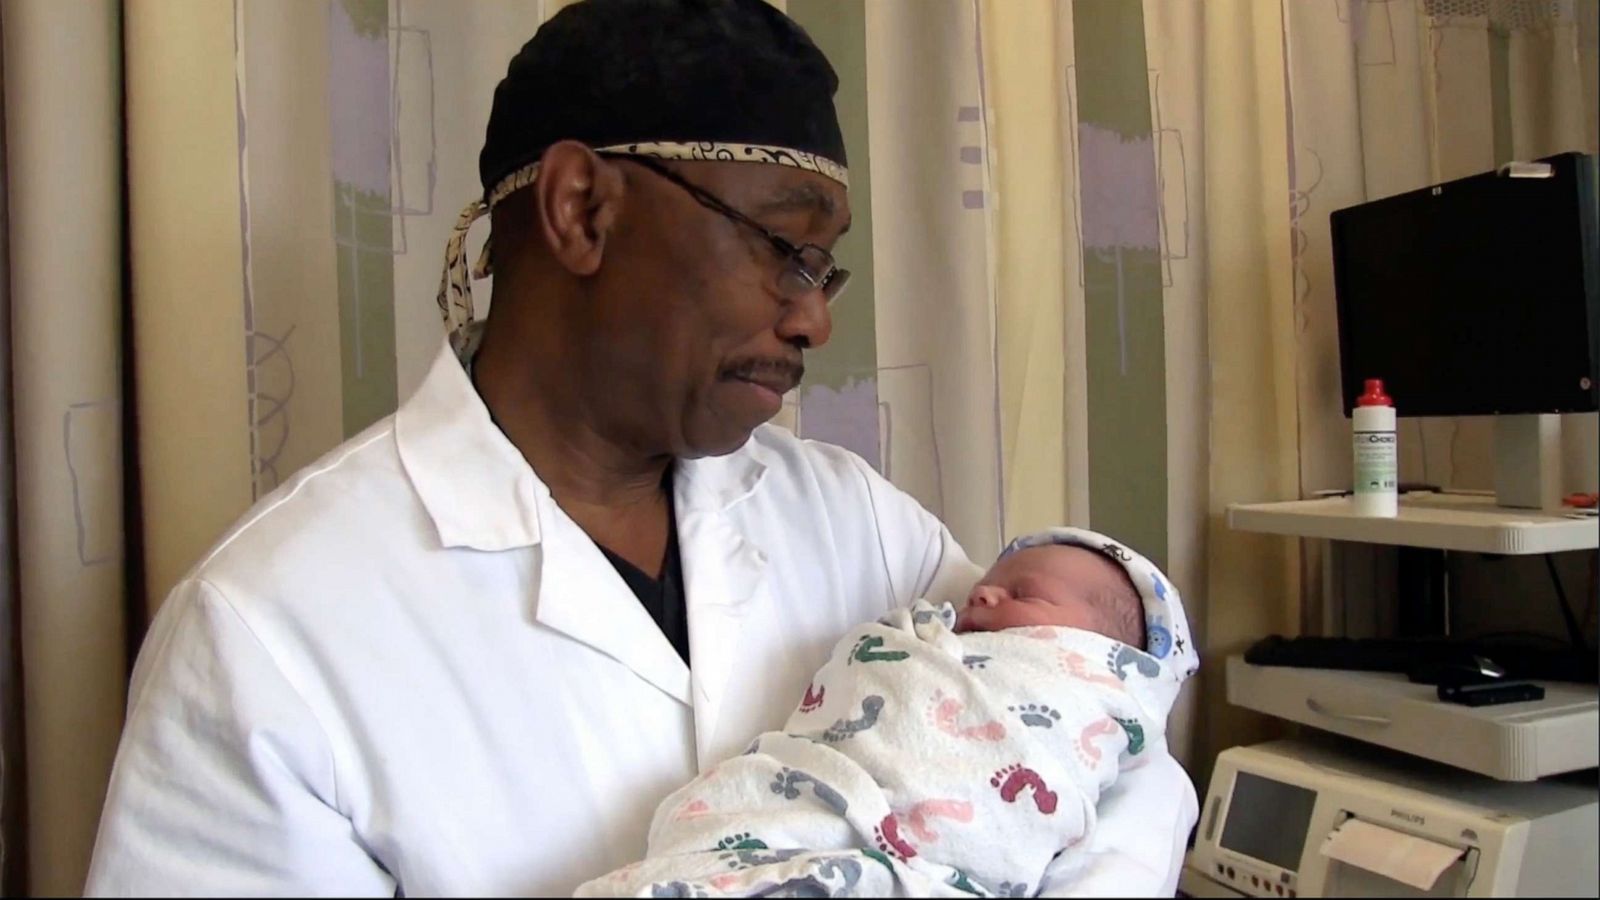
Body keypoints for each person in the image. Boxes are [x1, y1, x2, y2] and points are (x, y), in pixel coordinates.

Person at [85, 1, 1196, 895]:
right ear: (581, 211)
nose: (813, 321)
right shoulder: (270, 637)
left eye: (824, 269)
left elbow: (1102, 732)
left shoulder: (857, 523)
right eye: (784, 248)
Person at [575, 529, 1198, 897]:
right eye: (993, 582)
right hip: (804, 805)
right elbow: (877, 679)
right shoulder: (931, 645)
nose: (982, 591)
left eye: (1024, 593)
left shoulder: (1089, 698)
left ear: (1099, 653)